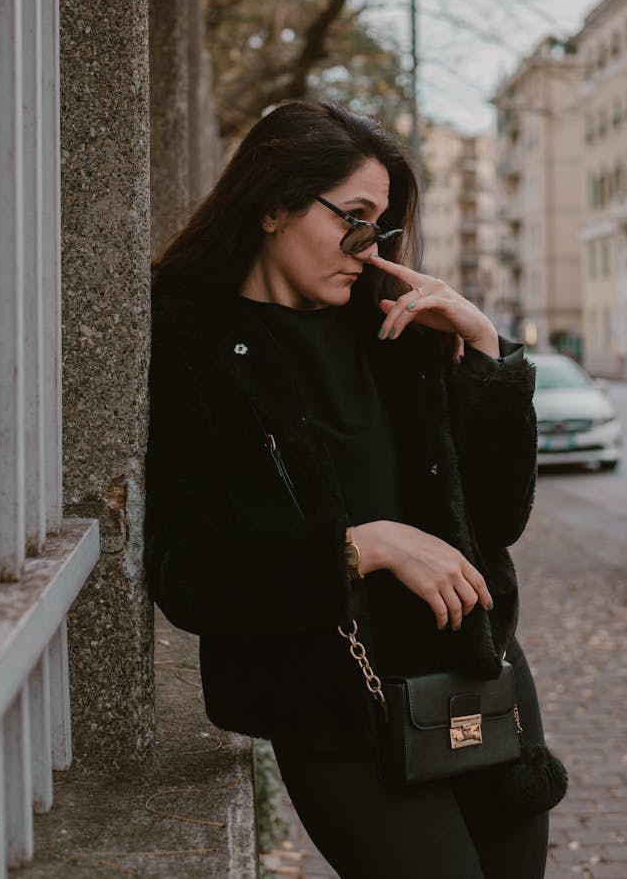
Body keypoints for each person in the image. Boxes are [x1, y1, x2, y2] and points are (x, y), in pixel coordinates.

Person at [144, 101, 566, 879]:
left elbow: (497, 519)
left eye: (381, 228)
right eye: (355, 218)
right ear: (274, 202)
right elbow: (190, 576)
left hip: (478, 673)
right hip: (338, 709)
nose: (367, 248)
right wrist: (364, 547)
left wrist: (481, 352)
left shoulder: (396, 333)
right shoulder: (186, 344)